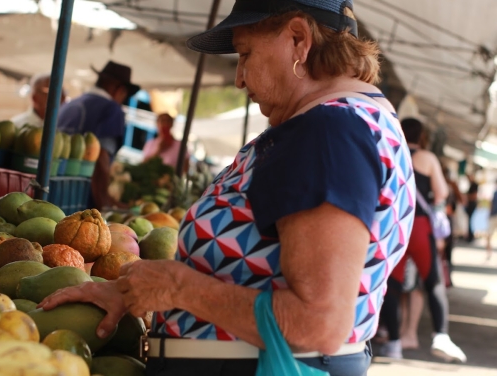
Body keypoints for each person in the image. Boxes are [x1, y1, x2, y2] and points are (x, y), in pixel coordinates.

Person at [39, 1, 415, 375]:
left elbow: (318, 323)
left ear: (299, 39)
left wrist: (178, 288)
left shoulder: (327, 132)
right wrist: (139, 291)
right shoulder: (353, 121)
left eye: (245, 53)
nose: (239, 78)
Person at [379, 118, 466, 362]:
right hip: (418, 226)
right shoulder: (427, 158)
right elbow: (441, 193)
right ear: (422, 136)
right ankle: (441, 336)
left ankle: (394, 343)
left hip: (395, 224)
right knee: (433, 281)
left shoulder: (389, 150)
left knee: (392, 287)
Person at [57, 61, 140, 210]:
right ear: (119, 89)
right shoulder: (112, 109)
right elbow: (101, 155)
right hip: (82, 199)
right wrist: (104, 202)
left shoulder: (69, 106)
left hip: (56, 190)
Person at [465, 173, 479, 243]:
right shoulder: (471, 185)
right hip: (470, 205)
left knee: (471, 221)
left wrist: (467, 196)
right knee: (470, 221)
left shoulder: (474, 185)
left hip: (472, 205)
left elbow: (474, 196)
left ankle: (471, 237)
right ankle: (470, 236)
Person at [486, 184, 497, 260]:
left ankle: (489, 252)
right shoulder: (495, 193)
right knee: (488, 235)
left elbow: (491, 204)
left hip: (493, 215)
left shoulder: (495, 193)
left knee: (489, 235)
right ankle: (489, 252)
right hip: (493, 215)